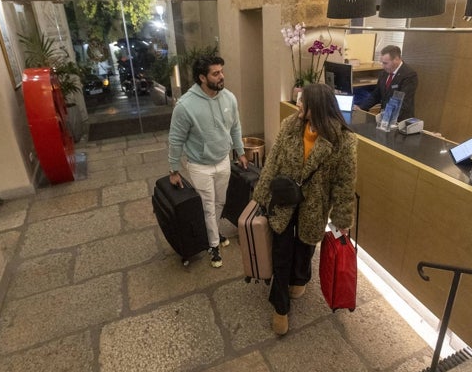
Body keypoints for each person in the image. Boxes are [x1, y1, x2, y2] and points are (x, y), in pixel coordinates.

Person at [252, 83, 357, 335]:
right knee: (282, 253)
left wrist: (342, 217)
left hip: (314, 205)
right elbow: (273, 161)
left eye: (302, 101)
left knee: (305, 247)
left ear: (317, 106)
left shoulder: (344, 139)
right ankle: (280, 307)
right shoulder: (290, 125)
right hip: (284, 199)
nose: (298, 104)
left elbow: (345, 181)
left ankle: (299, 278)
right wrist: (261, 195)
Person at [168, 55, 249, 268]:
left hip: (223, 160)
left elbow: (235, 127)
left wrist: (240, 152)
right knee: (207, 206)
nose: (222, 76)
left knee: (220, 202)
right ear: (202, 78)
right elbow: (176, 139)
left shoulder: (229, 98)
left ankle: (211, 230)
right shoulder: (185, 106)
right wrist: (174, 169)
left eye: (222, 71)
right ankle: (213, 244)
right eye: (216, 73)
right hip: (199, 164)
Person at [356, 45, 418, 121]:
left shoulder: (409, 75)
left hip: (399, 119)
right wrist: (361, 108)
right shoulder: (384, 73)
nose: (383, 66)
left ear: (396, 59)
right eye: (382, 63)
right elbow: (376, 95)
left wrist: (387, 118)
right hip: (384, 118)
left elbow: (403, 102)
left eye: (385, 63)